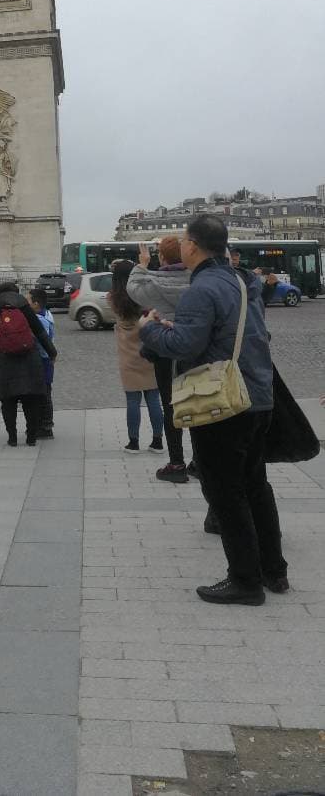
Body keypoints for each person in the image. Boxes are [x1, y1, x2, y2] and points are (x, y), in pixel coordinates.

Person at [139, 213, 287, 605]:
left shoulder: (201, 289)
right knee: (257, 486)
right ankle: (275, 571)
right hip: (257, 395)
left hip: (222, 404)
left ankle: (245, 581)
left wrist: (150, 329)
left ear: (193, 245)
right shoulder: (242, 281)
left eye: (185, 240)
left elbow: (184, 347)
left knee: (226, 493)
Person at [127, 238, 191, 481]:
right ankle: (199, 461)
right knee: (199, 398)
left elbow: (133, 289)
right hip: (193, 346)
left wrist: (142, 264)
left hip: (164, 348)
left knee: (170, 405)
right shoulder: (195, 280)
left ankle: (177, 463)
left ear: (161, 258)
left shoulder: (154, 282)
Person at [0, 280, 57, 446]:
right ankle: (31, 438)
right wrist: (52, 352)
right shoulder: (25, 309)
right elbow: (40, 333)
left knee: (8, 402)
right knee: (30, 401)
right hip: (29, 359)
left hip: (5, 361)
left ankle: (12, 438)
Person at [110, 261, 164, 453]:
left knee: (132, 400)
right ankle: (157, 441)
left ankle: (133, 442)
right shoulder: (143, 297)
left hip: (127, 355)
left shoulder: (113, 299)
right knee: (153, 399)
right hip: (148, 351)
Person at [28, 287, 56, 438]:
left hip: (43, 359)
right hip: (46, 359)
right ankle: (45, 424)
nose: (26, 303)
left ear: (36, 304)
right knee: (45, 392)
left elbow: (42, 341)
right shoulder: (47, 313)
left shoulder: (39, 320)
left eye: (28, 301)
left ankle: (45, 426)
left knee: (44, 394)